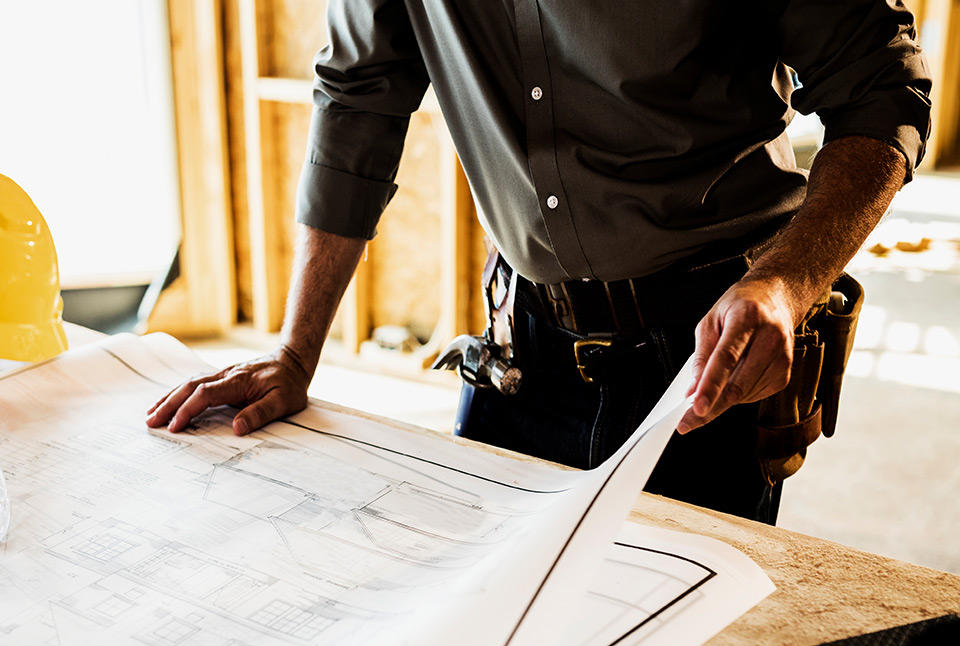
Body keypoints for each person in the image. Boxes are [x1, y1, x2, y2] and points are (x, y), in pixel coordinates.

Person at [147, 0, 932, 524]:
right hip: (521, 345)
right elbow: (359, 99)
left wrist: (788, 283)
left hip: (705, 347)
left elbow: (883, 88)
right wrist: (295, 351)